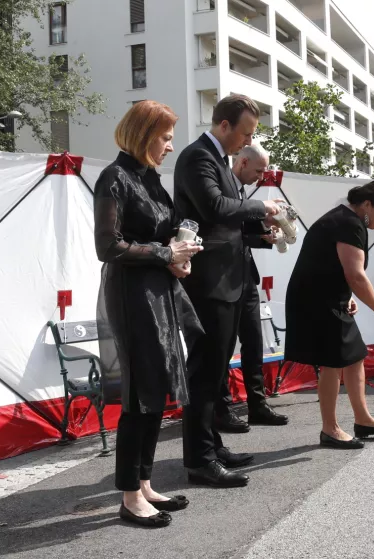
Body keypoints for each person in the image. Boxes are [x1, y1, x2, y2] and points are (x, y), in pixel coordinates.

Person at [93, 100, 199, 527]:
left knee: (155, 388)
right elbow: (108, 246)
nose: (171, 146)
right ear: (144, 135)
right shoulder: (113, 178)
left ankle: (145, 483)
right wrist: (164, 252)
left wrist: (181, 251)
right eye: (167, 137)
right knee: (140, 395)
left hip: (159, 290)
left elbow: (168, 228)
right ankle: (129, 495)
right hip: (131, 294)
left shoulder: (149, 177)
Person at [174, 94, 283, 488]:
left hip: (229, 281)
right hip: (210, 283)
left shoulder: (217, 158)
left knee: (215, 371)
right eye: (245, 133)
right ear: (224, 126)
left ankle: (212, 446)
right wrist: (261, 209)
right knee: (204, 373)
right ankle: (200, 460)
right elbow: (215, 209)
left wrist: (259, 233)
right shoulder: (197, 157)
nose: (246, 141)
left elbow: (227, 222)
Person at [284, 181, 374, 449]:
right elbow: (356, 275)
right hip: (317, 301)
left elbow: (331, 265)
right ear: (367, 205)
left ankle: (363, 420)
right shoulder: (348, 224)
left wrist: (347, 295)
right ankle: (330, 430)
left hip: (327, 297)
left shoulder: (345, 219)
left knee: (354, 356)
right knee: (333, 361)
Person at [214, 143, 289, 429]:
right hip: (223, 279)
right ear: (242, 162)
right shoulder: (221, 185)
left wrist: (264, 237)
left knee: (254, 343)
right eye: (259, 170)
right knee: (221, 347)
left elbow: (241, 232)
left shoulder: (242, 188)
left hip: (245, 277)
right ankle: (221, 409)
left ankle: (257, 404)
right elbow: (222, 229)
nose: (261, 176)